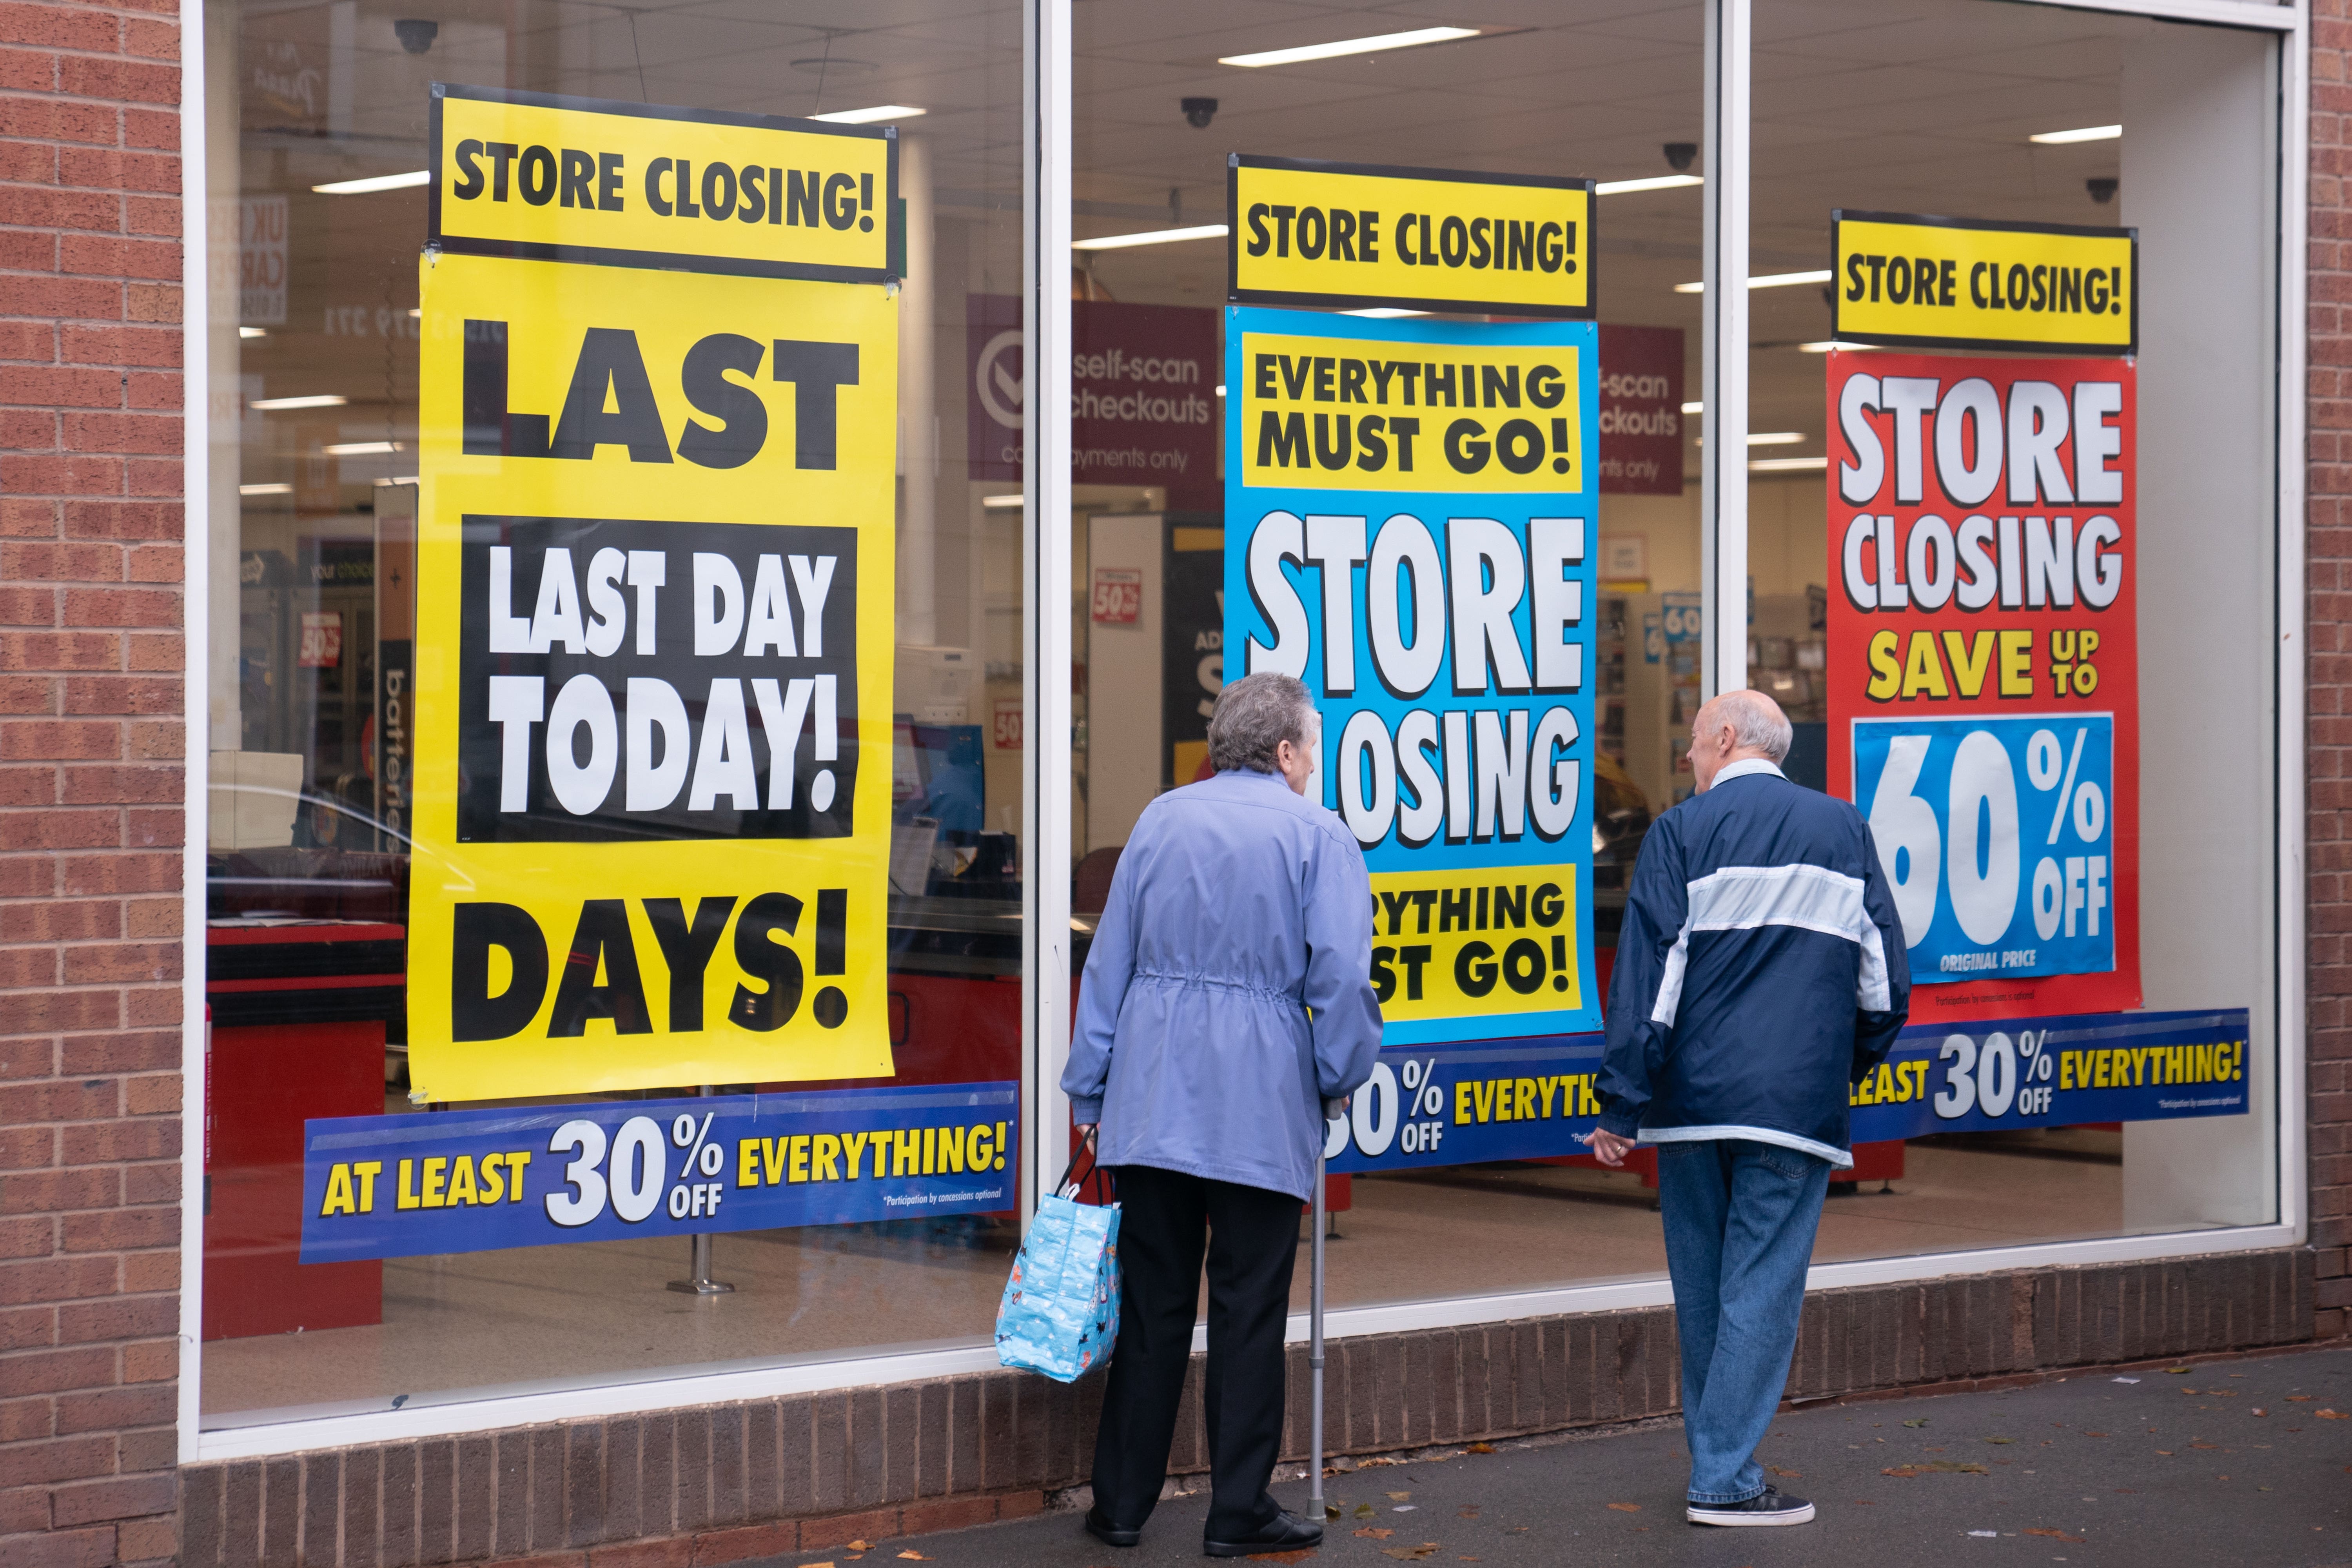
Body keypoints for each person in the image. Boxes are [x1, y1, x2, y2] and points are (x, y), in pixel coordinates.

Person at [1063, 671, 1383, 1558]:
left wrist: (1091, 1088)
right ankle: (1236, 1507)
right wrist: (1335, 1074)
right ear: (1284, 751)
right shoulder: (1319, 836)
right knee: (1249, 1309)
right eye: (1310, 746)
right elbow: (1342, 981)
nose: (1312, 760)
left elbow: (1109, 967)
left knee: (1155, 1302)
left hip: (1152, 1090)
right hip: (1259, 1101)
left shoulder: (1161, 818)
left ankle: (1121, 1502)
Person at [1584, 689, 1909, 1527]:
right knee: (1760, 1286)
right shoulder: (1844, 831)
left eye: (1693, 744)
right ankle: (1724, 1476)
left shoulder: (1681, 834)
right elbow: (1885, 988)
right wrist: (1841, 1064)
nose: (1689, 761)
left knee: (1704, 1289)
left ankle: (1718, 1461)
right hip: (1793, 1109)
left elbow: (1647, 984)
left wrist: (1622, 1102)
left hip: (1692, 1108)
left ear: (1726, 738)